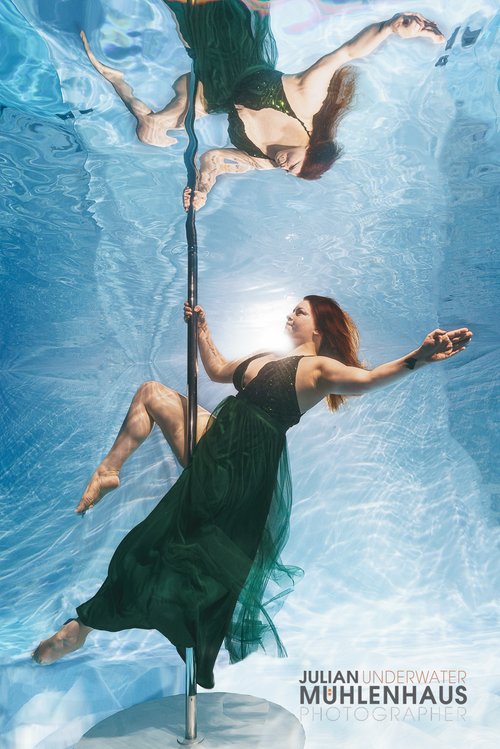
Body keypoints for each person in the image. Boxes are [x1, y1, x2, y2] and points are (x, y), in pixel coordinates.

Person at [31, 296, 472, 689]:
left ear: (319, 328)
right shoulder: (266, 357)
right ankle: (109, 472)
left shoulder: (319, 368)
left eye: (300, 311)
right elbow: (218, 369)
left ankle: (89, 623)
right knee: (151, 394)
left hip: (240, 466)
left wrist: (419, 357)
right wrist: (202, 331)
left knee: (166, 547)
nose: (290, 315)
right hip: (220, 440)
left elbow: (370, 378)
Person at [79, 2, 445, 209]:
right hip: (243, 51)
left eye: (289, 173)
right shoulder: (304, 103)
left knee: (150, 132)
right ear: (311, 146)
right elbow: (345, 54)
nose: (284, 167)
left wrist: (202, 190)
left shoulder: (265, 161)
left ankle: (117, 81)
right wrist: (390, 28)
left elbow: (214, 160)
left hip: (213, 92)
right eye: (294, 165)